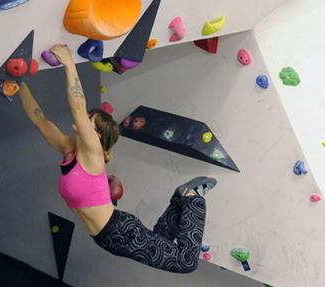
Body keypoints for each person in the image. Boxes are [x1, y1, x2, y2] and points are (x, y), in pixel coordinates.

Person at [17, 44, 217, 273]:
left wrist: (69, 64)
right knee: (187, 262)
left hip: (112, 236)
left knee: (171, 248)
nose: (83, 120)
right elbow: (40, 120)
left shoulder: (93, 155)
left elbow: (77, 106)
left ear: (97, 135)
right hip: (119, 232)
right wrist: (19, 85)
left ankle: (190, 199)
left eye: (89, 120)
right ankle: (188, 197)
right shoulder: (70, 152)